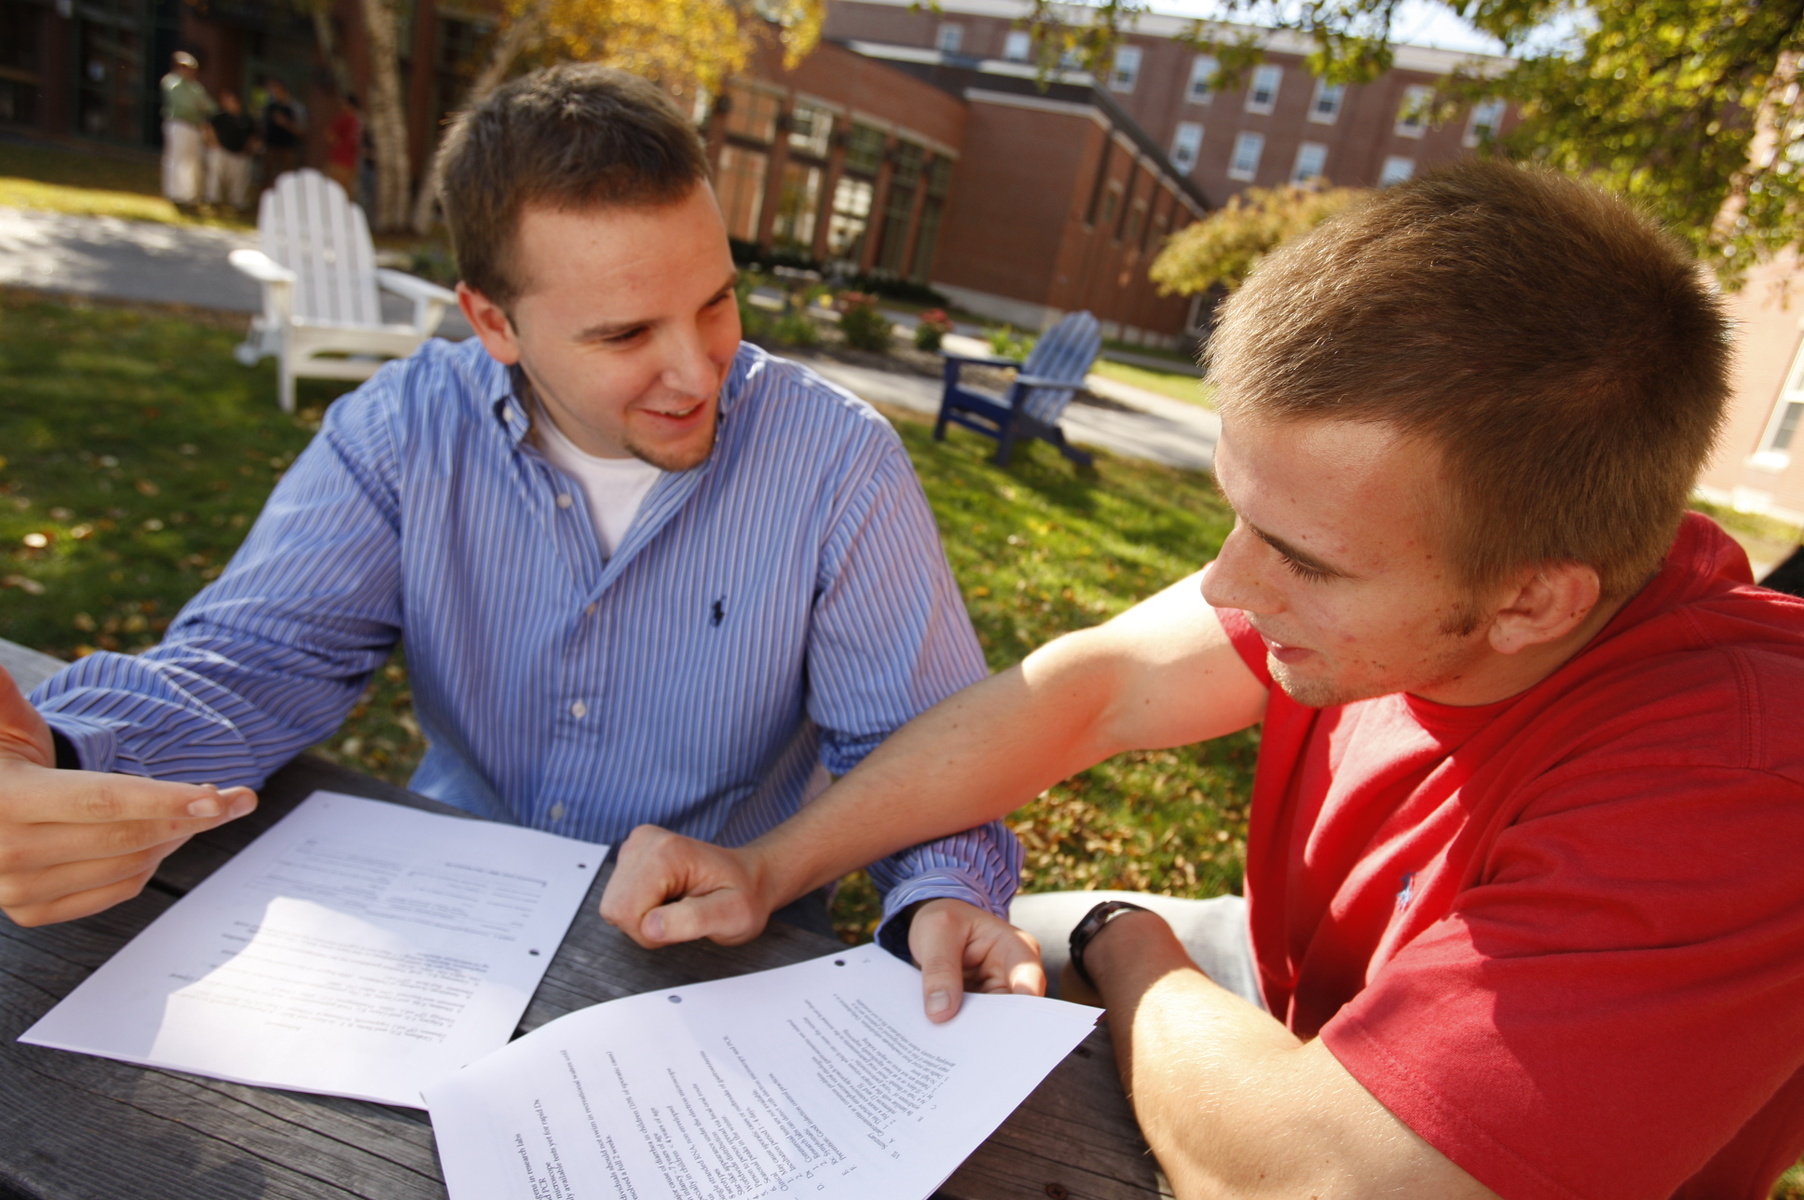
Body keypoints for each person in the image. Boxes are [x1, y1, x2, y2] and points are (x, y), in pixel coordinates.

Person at [601, 161, 1804, 1199]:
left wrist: (1120, 937)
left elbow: (1315, 1178)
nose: (1227, 588)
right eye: (1240, 514)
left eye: (1299, 558)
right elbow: (1093, 688)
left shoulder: (1741, 783)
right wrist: (772, 866)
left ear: (1535, 600)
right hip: (1299, 1010)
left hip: (1359, 1128)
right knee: (973, 948)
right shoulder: (1427, 576)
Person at [4, 66, 1018, 967]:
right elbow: (258, 659)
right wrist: (59, 754)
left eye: (715, 300)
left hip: (717, 961)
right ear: (492, 320)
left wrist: (942, 893)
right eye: (625, 333)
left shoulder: (837, 464)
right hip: (439, 923)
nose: (698, 367)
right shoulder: (402, 430)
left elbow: (917, 750)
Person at [158, 51, 214, 209]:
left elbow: (210, 106)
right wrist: (197, 106)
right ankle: (174, 194)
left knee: (193, 162)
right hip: (178, 124)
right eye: (183, 67)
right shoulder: (171, 82)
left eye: (189, 68)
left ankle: (189, 196)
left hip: (195, 127)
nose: (186, 70)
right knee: (176, 159)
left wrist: (198, 106)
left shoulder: (196, 87)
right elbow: (184, 106)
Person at [204, 89, 258, 212]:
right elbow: (208, 128)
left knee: (239, 181)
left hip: (239, 154)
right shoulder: (220, 117)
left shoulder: (246, 119)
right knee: (215, 177)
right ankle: (213, 200)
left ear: (238, 102)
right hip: (221, 151)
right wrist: (212, 143)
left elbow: (253, 136)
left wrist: (250, 150)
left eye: (231, 100)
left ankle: (237, 203)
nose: (228, 103)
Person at [260, 78, 305, 186]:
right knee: (267, 177)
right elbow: (263, 124)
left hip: (288, 148)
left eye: (276, 89)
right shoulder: (270, 106)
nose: (273, 92)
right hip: (271, 146)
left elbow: (301, 130)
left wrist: (285, 123)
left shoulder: (294, 107)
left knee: (287, 178)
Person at [324, 93, 362, 200]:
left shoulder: (345, 119)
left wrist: (336, 142)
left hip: (339, 160)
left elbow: (329, 136)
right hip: (352, 161)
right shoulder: (359, 120)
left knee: (333, 191)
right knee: (346, 194)